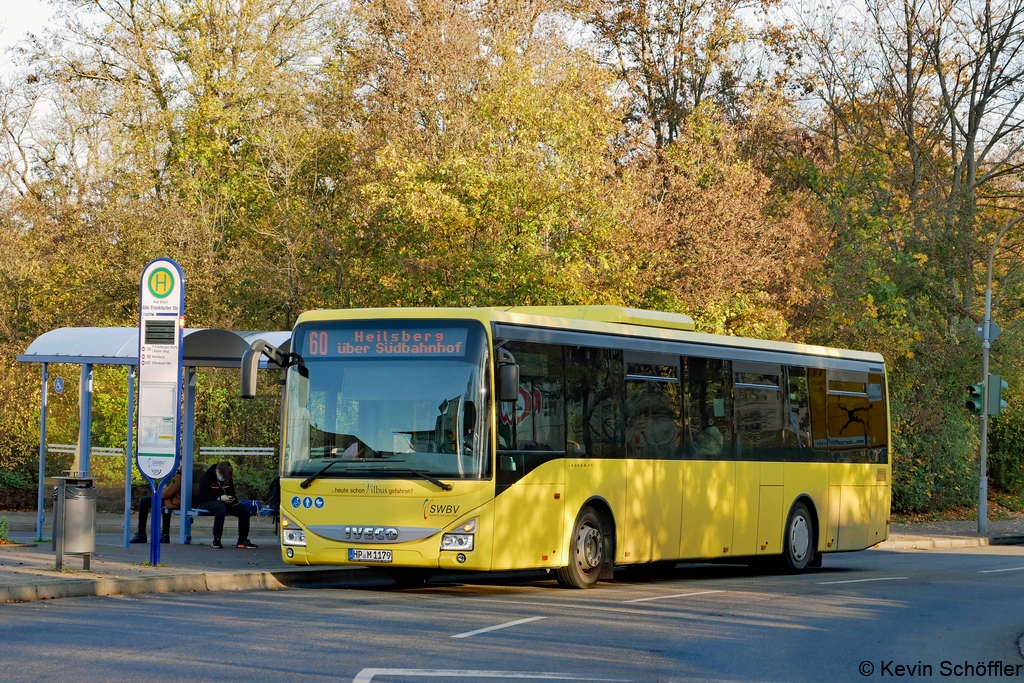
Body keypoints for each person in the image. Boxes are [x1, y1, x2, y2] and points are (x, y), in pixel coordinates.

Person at [195, 461, 258, 549]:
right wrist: (219, 498)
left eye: (226, 479)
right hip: (207, 502)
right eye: (222, 478)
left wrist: (231, 498)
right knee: (221, 508)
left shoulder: (228, 477)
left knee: (244, 510)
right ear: (217, 471)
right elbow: (202, 496)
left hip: (225, 501)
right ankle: (216, 539)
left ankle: (242, 540)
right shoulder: (206, 477)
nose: (224, 480)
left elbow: (232, 492)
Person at [129, 469, 181, 544]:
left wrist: (162, 489)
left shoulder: (179, 476)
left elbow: (167, 494)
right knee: (165, 503)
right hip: (179, 501)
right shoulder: (190, 475)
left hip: (176, 502)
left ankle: (141, 534)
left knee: (144, 501)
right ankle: (165, 535)